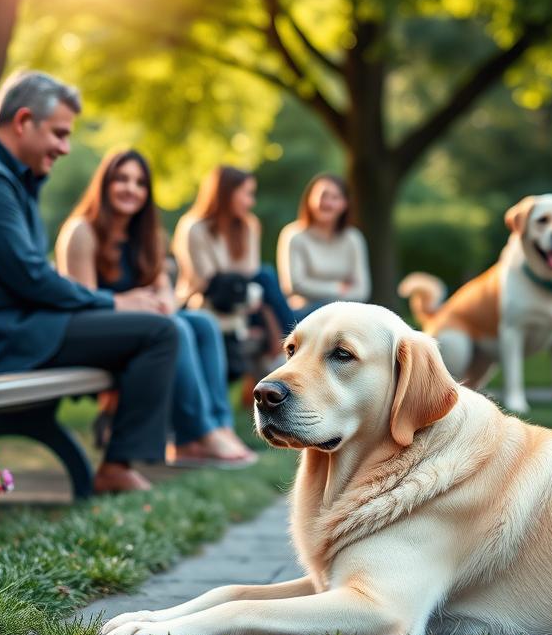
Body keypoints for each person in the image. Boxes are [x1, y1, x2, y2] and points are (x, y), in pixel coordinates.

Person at [0, 71, 178, 493]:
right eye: (59, 134)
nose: (65, 147)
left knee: (159, 328)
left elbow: (28, 276)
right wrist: (114, 304)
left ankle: (126, 455)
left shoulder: (5, 177)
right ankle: (117, 465)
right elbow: (32, 277)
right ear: (24, 121)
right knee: (158, 332)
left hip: (18, 327)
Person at [55, 148, 256, 466]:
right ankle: (198, 433)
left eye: (139, 183)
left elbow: (166, 291)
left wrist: (162, 301)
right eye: (121, 179)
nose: (130, 188)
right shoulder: (82, 231)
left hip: (148, 327)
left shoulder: (148, 236)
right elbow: (82, 304)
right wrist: (136, 305)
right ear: (104, 185)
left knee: (201, 323)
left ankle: (219, 425)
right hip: (101, 333)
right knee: (175, 327)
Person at [172, 165, 296, 339]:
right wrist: (241, 286)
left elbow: (250, 270)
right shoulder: (194, 227)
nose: (251, 202)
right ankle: (292, 336)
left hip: (242, 293)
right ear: (226, 194)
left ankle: (289, 338)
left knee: (264, 276)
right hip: (205, 299)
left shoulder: (249, 226)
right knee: (265, 277)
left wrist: (241, 286)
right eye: (247, 194)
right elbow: (207, 280)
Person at [276, 173, 371, 320]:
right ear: (309, 199)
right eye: (323, 195)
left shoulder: (353, 238)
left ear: (345, 204)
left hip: (346, 313)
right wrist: (338, 287)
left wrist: (329, 296)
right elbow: (295, 285)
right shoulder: (294, 235)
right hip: (304, 314)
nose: (327, 203)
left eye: (335, 198)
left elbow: (362, 290)